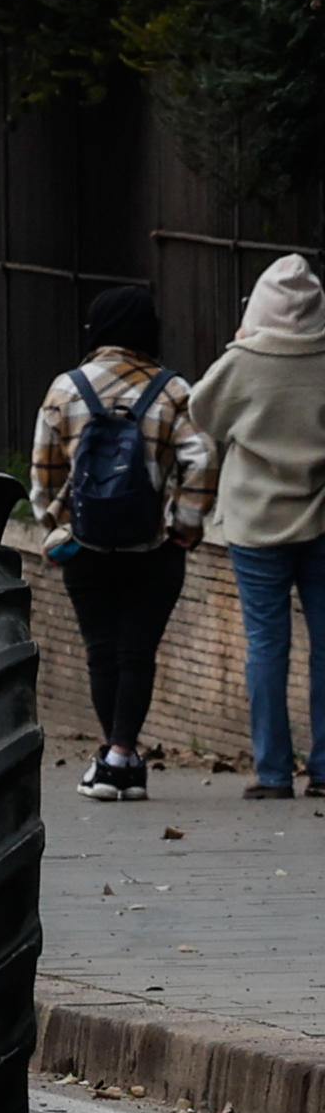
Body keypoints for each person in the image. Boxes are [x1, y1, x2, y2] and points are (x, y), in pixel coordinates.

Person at [31, 284, 216, 801]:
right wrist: (186, 526)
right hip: (153, 549)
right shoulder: (175, 390)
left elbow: (45, 470)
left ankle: (116, 760)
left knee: (101, 653)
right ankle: (122, 756)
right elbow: (202, 460)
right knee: (138, 653)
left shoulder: (66, 389)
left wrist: (55, 528)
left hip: (86, 549)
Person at [189, 254, 325, 800]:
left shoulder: (244, 360)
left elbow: (202, 413)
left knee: (266, 645)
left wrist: (242, 341)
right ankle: (324, 767)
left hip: (254, 523)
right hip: (321, 518)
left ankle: (272, 772)